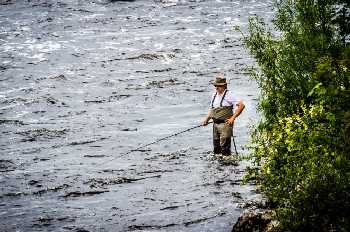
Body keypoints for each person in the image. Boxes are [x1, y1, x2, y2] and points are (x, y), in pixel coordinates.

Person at [202, 75, 245, 156]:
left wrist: (232, 118)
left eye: (219, 86)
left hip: (225, 125)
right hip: (215, 125)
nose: (216, 88)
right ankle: (218, 166)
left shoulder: (230, 95)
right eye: (215, 86)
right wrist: (207, 119)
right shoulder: (214, 95)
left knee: (225, 150)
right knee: (216, 149)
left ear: (225, 86)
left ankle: (227, 166)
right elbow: (212, 109)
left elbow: (241, 105)